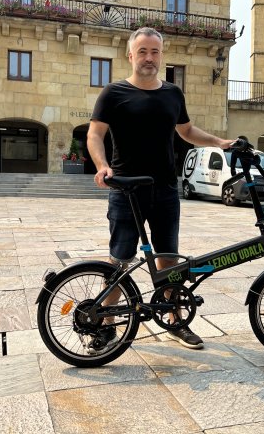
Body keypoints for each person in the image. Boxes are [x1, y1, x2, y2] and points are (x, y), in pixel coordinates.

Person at [87, 27, 232, 352]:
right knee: (119, 259)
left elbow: (187, 131)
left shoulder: (172, 94)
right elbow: (94, 134)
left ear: (161, 56)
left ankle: (174, 321)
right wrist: (102, 165)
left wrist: (219, 142)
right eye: (143, 52)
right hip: (126, 189)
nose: (149, 58)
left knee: (169, 260)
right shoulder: (113, 93)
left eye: (154, 52)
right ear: (130, 55)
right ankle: (107, 322)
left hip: (166, 189)